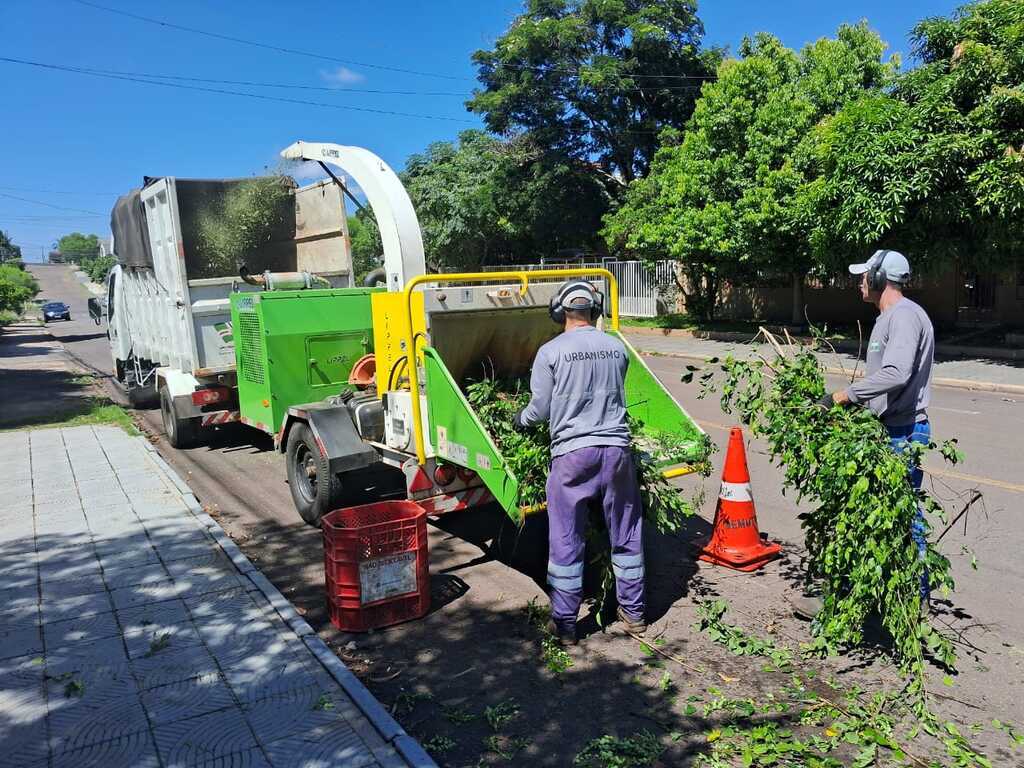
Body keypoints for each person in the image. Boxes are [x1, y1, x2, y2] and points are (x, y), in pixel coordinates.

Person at [513, 280, 646, 646]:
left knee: (567, 539)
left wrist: (519, 419)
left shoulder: (550, 352)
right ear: (595, 308)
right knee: (626, 530)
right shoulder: (616, 349)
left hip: (573, 456)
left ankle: (567, 625)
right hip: (617, 453)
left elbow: (539, 411)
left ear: (560, 311)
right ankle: (635, 614)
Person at [817, 249, 935, 607]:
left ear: (882, 279)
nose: (860, 282)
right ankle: (870, 594)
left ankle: (916, 597)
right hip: (886, 428)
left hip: (903, 432)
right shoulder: (890, 317)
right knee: (872, 514)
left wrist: (844, 396)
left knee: (903, 515)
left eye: (865, 275)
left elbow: (896, 373)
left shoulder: (904, 317)